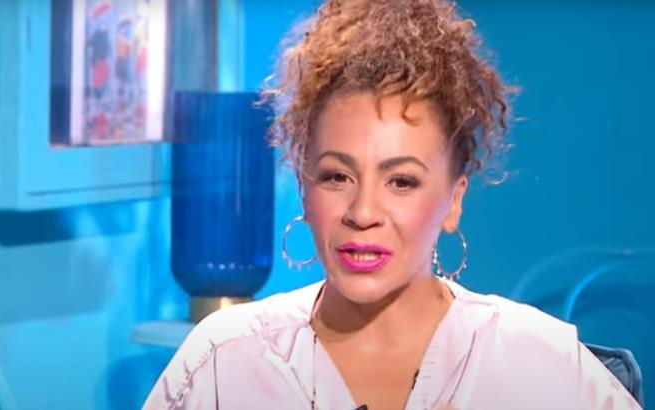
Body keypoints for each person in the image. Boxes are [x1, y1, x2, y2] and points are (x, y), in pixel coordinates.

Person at [144, 0, 642, 409]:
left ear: (454, 201)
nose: (363, 213)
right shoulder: (222, 363)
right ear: (304, 187)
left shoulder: (542, 366)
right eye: (337, 176)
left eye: (401, 181)